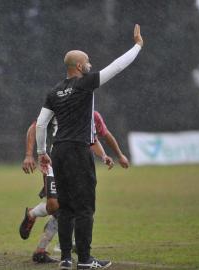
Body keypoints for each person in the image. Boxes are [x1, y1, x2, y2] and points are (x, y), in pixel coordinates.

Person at [35, 25, 143, 269]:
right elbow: (117, 66)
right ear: (80, 67)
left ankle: (65, 259)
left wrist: (42, 153)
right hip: (77, 150)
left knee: (65, 209)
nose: (91, 65)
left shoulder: (54, 91)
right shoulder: (84, 83)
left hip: (58, 151)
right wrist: (137, 46)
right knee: (85, 208)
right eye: (88, 62)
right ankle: (84, 260)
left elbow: (41, 124)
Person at [21, 111, 127, 264]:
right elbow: (35, 127)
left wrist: (107, 155)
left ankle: (43, 250)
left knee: (66, 208)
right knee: (55, 206)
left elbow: (96, 138)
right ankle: (34, 215)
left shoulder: (92, 115)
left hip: (77, 164)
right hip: (54, 161)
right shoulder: (60, 106)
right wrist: (29, 154)